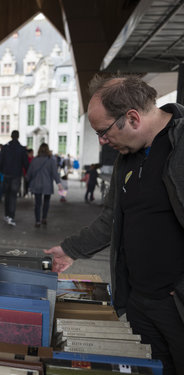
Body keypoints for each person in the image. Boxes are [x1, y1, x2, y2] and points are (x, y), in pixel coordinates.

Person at [44, 74, 184, 374]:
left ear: (132, 118)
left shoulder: (180, 146)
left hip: (176, 307)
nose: (102, 141)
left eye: (104, 131)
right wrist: (70, 250)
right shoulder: (127, 158)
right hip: (138, 301)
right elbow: (111, 218)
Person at [26, 143, 62, 227]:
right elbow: (55, 174)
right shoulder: (51, 160)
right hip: (47, 185)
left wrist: (27, 180)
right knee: (46, 202)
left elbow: (29, 174)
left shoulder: (34, 160)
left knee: (37, 203)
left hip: (36, 184)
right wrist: (59, 184)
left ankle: (37, 221)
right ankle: (44, 218)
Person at [0, 130, 29, 226]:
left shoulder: (5, 148)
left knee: (7, 195)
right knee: (13, 196)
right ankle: (11, 216)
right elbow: (26, 164)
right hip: (16, 175)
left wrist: (3, 171)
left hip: (7, 175)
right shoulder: (22, 149)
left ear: (11, 136)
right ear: (18, 136)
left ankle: (7, 215)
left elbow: (0, 162)